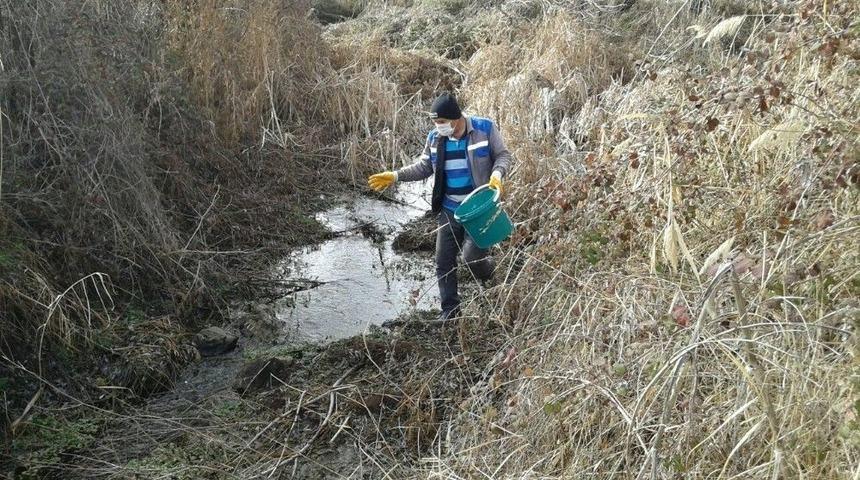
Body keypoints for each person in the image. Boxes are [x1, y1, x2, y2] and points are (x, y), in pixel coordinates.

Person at [367, 92, 512, 320]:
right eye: (435, 123)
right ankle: (450, 311)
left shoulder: (485, 129)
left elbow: (503, 156)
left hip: (479, 209)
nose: (438, 127)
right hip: (449, 209)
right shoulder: (435, 138)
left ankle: (490, 274)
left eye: (442, 122)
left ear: (455, 118)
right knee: (443, 261)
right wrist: (395, 176)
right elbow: (424, 167)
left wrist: (496, 175)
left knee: (472, 257)